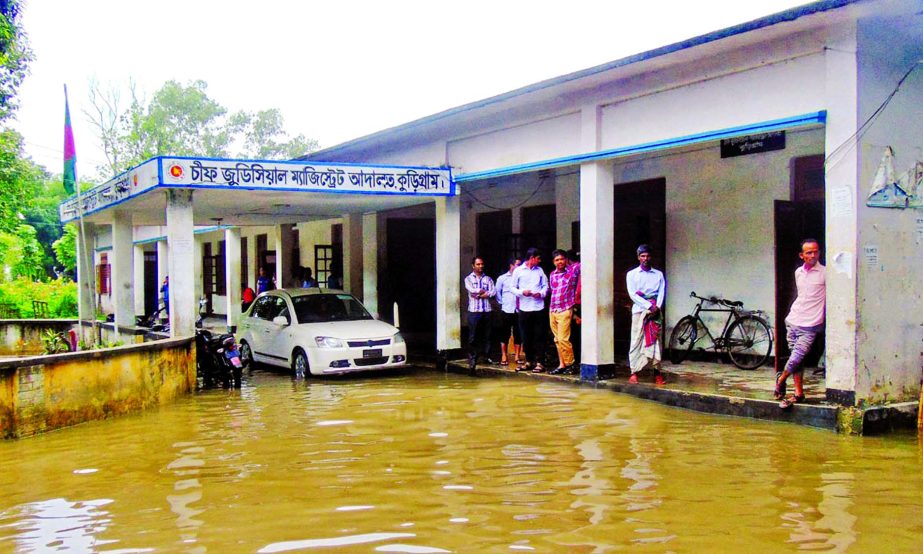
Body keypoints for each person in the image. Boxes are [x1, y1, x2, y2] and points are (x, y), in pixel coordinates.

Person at [776, 238, 826, 409]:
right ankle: (798, 393)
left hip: (811, 324)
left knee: (797, 355)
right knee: (796, 360)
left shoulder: (825, 273)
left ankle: (781, 379)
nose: (813, 255)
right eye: (809, 252)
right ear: (802, 255)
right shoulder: (798, 272)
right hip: (793, 320)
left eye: (816, 251)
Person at [626, 244, 666, 385]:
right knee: (636, 340)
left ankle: (657, 373)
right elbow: (632, 294)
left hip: (655, 312)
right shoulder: (632, 274)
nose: (645, 258)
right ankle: (634, 372)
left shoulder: (658, 274)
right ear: (638, 257)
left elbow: (661, 293)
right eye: (642, 256)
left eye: (648, 256)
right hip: (639, 311)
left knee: (655, 342)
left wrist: (656, 307)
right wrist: (648, 306)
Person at [512, 247, 548, 373]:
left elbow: (545, 286)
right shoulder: (518, 271)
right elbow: (512, 288)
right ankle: (528, 361)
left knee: (539, 335)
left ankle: (540, 362)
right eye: (538, 258)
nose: (539, 261)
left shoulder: (540, 271)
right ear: (532, 258)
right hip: (524, 307)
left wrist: (541, 294)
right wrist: (522, 292)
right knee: (526, 336)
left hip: (538, 307)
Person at [548, 249, 581, 375]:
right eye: (557, 260)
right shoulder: (552, 275)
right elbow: (553, 291)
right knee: (557, 340)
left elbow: (583, 265)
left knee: (563, 339)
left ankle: (571, 364)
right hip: (553, 309)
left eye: (562, 259)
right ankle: (562, 365)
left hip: (565, 308)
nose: (559, 262)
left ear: (566, 260)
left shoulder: (572, 271)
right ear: (553, 262)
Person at [464, 256, 496, 371]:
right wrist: (482, 292)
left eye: (482, 264)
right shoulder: (468, 279)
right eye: (478, 264)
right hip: (474, 311)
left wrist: (482, 293)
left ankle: (487, 356)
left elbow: (493, 292)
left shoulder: (488, 279)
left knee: (488, 335)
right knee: (473, 336)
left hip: (487, 310)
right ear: (473, 266)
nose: (480, 266)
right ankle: (472, 358)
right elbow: (472, 290)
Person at [494, 257, 522, 366]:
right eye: (517, 264)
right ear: (511, 265)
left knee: (518, 333)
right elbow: (497, 292)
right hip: (506, 309)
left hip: (518, 309)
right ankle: (504, 355)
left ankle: (517, 356)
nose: (519, 267)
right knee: (504, 333)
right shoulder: (502, 278)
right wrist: (503, 303)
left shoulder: (521, 277)